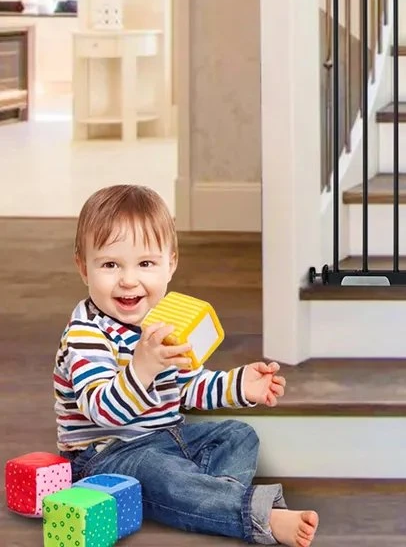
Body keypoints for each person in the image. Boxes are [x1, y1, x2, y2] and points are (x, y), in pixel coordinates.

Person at [53, 184, 318, 547]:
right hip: (107, 457)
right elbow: (101, 411)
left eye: (145, 263)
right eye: (110, 264)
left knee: (239, 435)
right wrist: (141, 368)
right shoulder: (86, 333)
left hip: (170, 437)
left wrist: (239, 386)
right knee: (157, 470)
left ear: (170, 264)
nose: (129, 279)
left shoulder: (165, 320)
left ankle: (206, 501)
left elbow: (189, 386)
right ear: (84, 268)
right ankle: (254, 514)